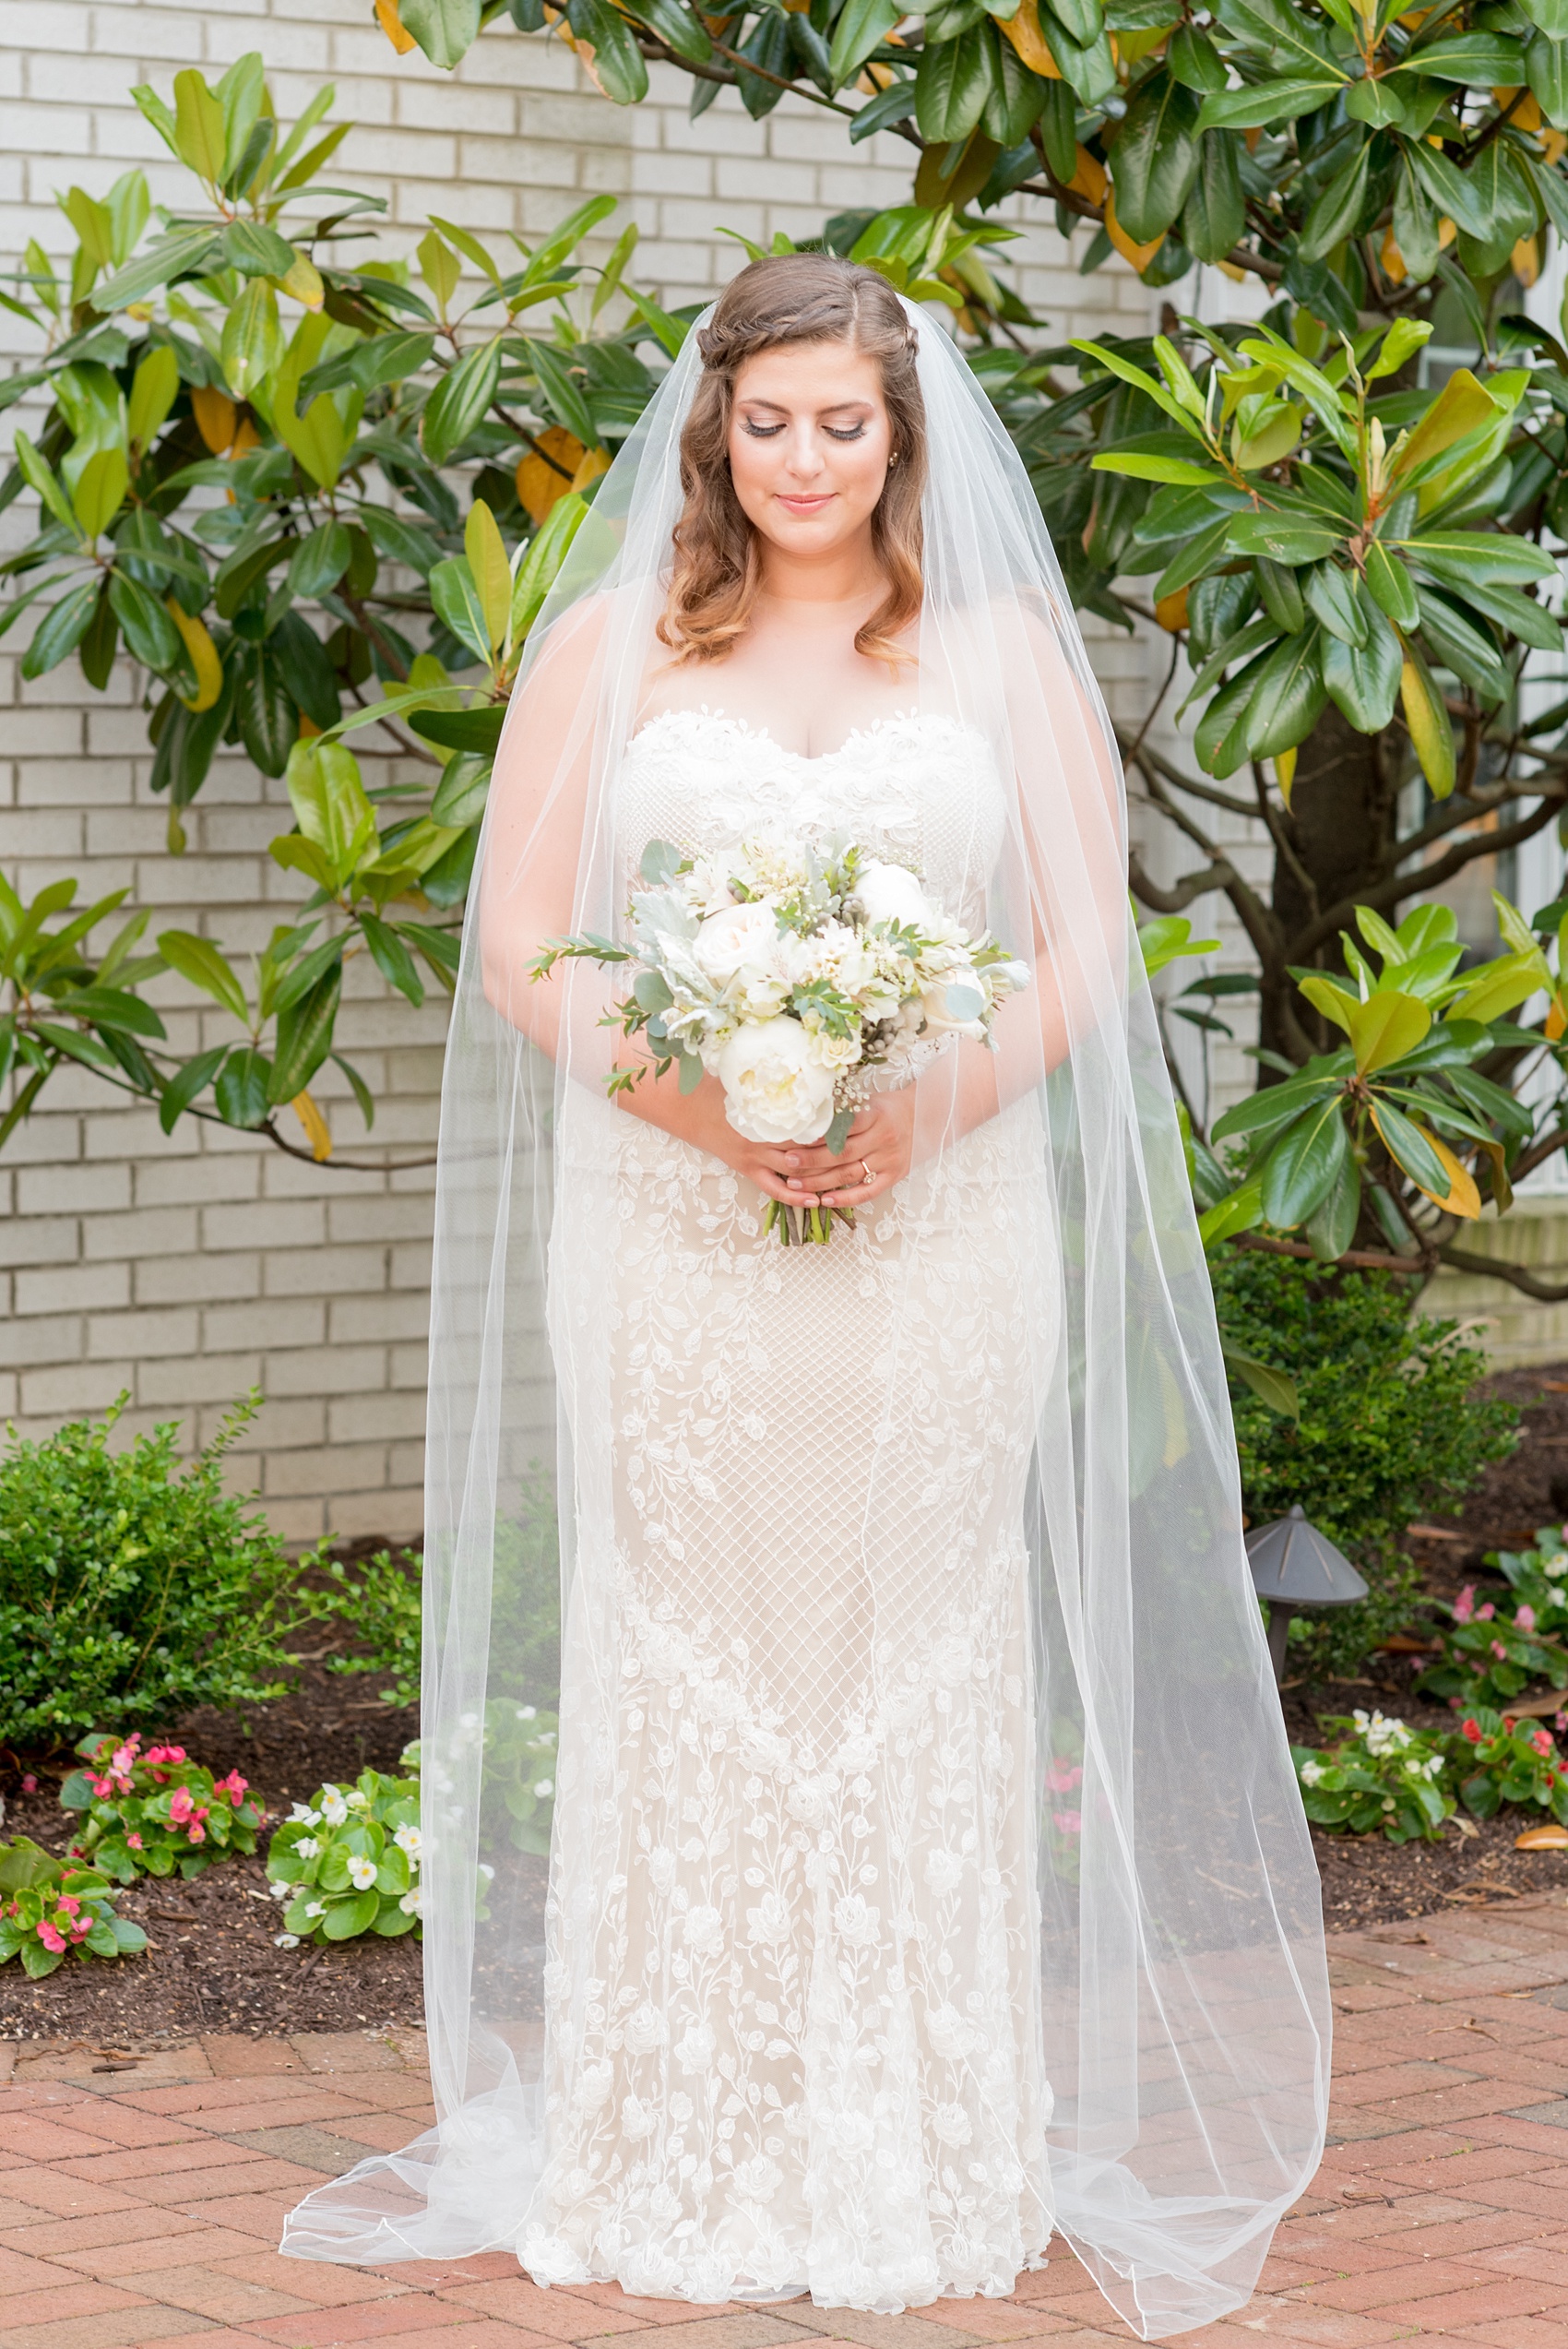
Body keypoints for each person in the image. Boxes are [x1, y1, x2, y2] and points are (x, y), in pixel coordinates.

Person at [280, 256, 1330, 2340]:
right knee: (690, 1648)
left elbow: (1078, 950)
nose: (803, 462)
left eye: (841, 423)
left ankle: (914, 2141)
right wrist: (713, 1108)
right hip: (671, 1236)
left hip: (937, 1234)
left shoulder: (1003, 653)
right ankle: (677, 2135)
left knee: (906, 1649)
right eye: (766, 423)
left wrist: (921, 1102)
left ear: (901, 431)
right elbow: (518, 950)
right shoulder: (608, 646)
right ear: (714, 432)